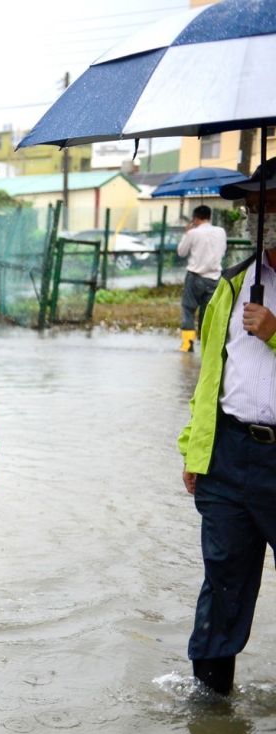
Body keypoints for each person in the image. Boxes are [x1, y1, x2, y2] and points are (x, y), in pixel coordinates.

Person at [179, 157, 276, 696]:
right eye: (256, 206)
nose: (262, 215)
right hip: (229, 455)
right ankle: (210, 715)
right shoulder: (235, 283)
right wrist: (194, 451)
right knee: (223, 583)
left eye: (272, 204)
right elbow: (211, 375)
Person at [176, 204, 227, 352]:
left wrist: (186, 233)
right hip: (215, 277)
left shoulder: (193, 233)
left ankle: (187, 344)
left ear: (195, 218)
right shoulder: (221, 232)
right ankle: (207, 343)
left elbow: (181, 252)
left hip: (195, 276)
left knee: (188, 309)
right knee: (209, 311)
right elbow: (223, 251)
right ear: (209, 217)